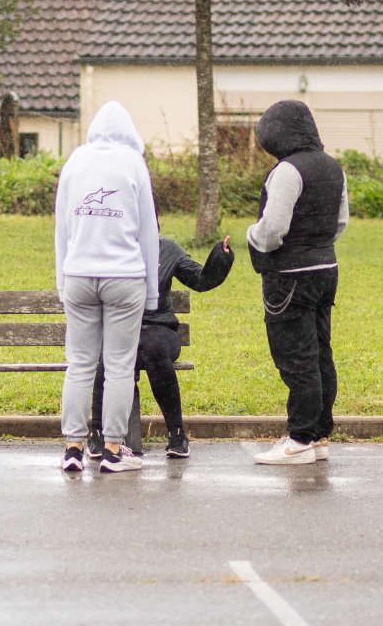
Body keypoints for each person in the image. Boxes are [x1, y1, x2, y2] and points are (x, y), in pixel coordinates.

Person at [55, 101, 160, 473]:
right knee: (119, 365)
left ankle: (72, 447)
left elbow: (62, 229)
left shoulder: (75, 161)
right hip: (124, 276)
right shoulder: (133, 163)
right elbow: (149, 230)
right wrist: (151, 292)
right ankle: (113, 450)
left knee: (79, 364)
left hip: (78, 275)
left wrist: (62, 282)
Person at [244, 100, 348, 465]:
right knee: (320, 352)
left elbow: (273, 229)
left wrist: (252, 237)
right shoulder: (333, 167)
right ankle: (318, 433)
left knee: (295, 356)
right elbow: (341, 222)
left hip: (289, 277)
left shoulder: (287, 171)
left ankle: (299, 440)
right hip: (326, 269)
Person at [88, 233, 234, 459]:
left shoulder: (167, 249)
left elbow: (201, 279)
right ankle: (97, 433)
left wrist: (220, 257)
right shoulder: (113, 248)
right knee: (112, 354)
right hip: (122, 328)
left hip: (160, 328)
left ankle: (177, 434)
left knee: (153, 348)